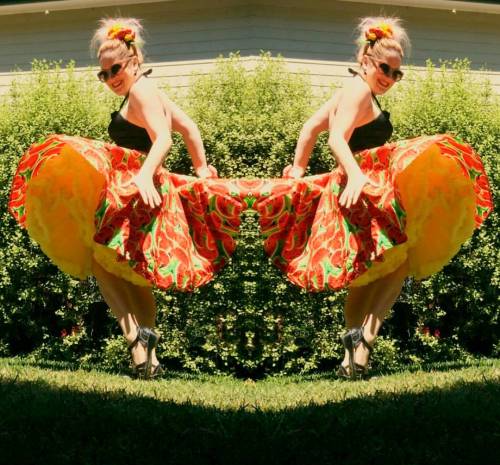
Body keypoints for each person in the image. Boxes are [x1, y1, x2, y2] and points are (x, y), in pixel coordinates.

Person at [9, 18, 236, 379]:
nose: (111, 78)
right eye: (103, 74)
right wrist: (202, 167)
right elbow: (189, 128)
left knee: (101, 261)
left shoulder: (143, 92)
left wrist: (147, 173)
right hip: (143, 187)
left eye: (115, 69)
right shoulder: (148, 91)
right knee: (133, 272)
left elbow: (164, 137)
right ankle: (148, 356)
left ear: (133, 61)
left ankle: (135, 343)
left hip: (133, 185)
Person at [273, 17, 493, 379]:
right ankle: (365, 341)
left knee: (369, 271)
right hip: (365, 186)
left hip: (356, 187)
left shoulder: (352, 90)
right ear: (365, 59)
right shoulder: (358, 91)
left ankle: (352, 356)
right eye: (384, 69)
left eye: (396, 74)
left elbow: (312, 127)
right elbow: (335, 139)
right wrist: (356, 174)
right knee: (399, 261)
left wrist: (298, 167)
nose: (389, 78)